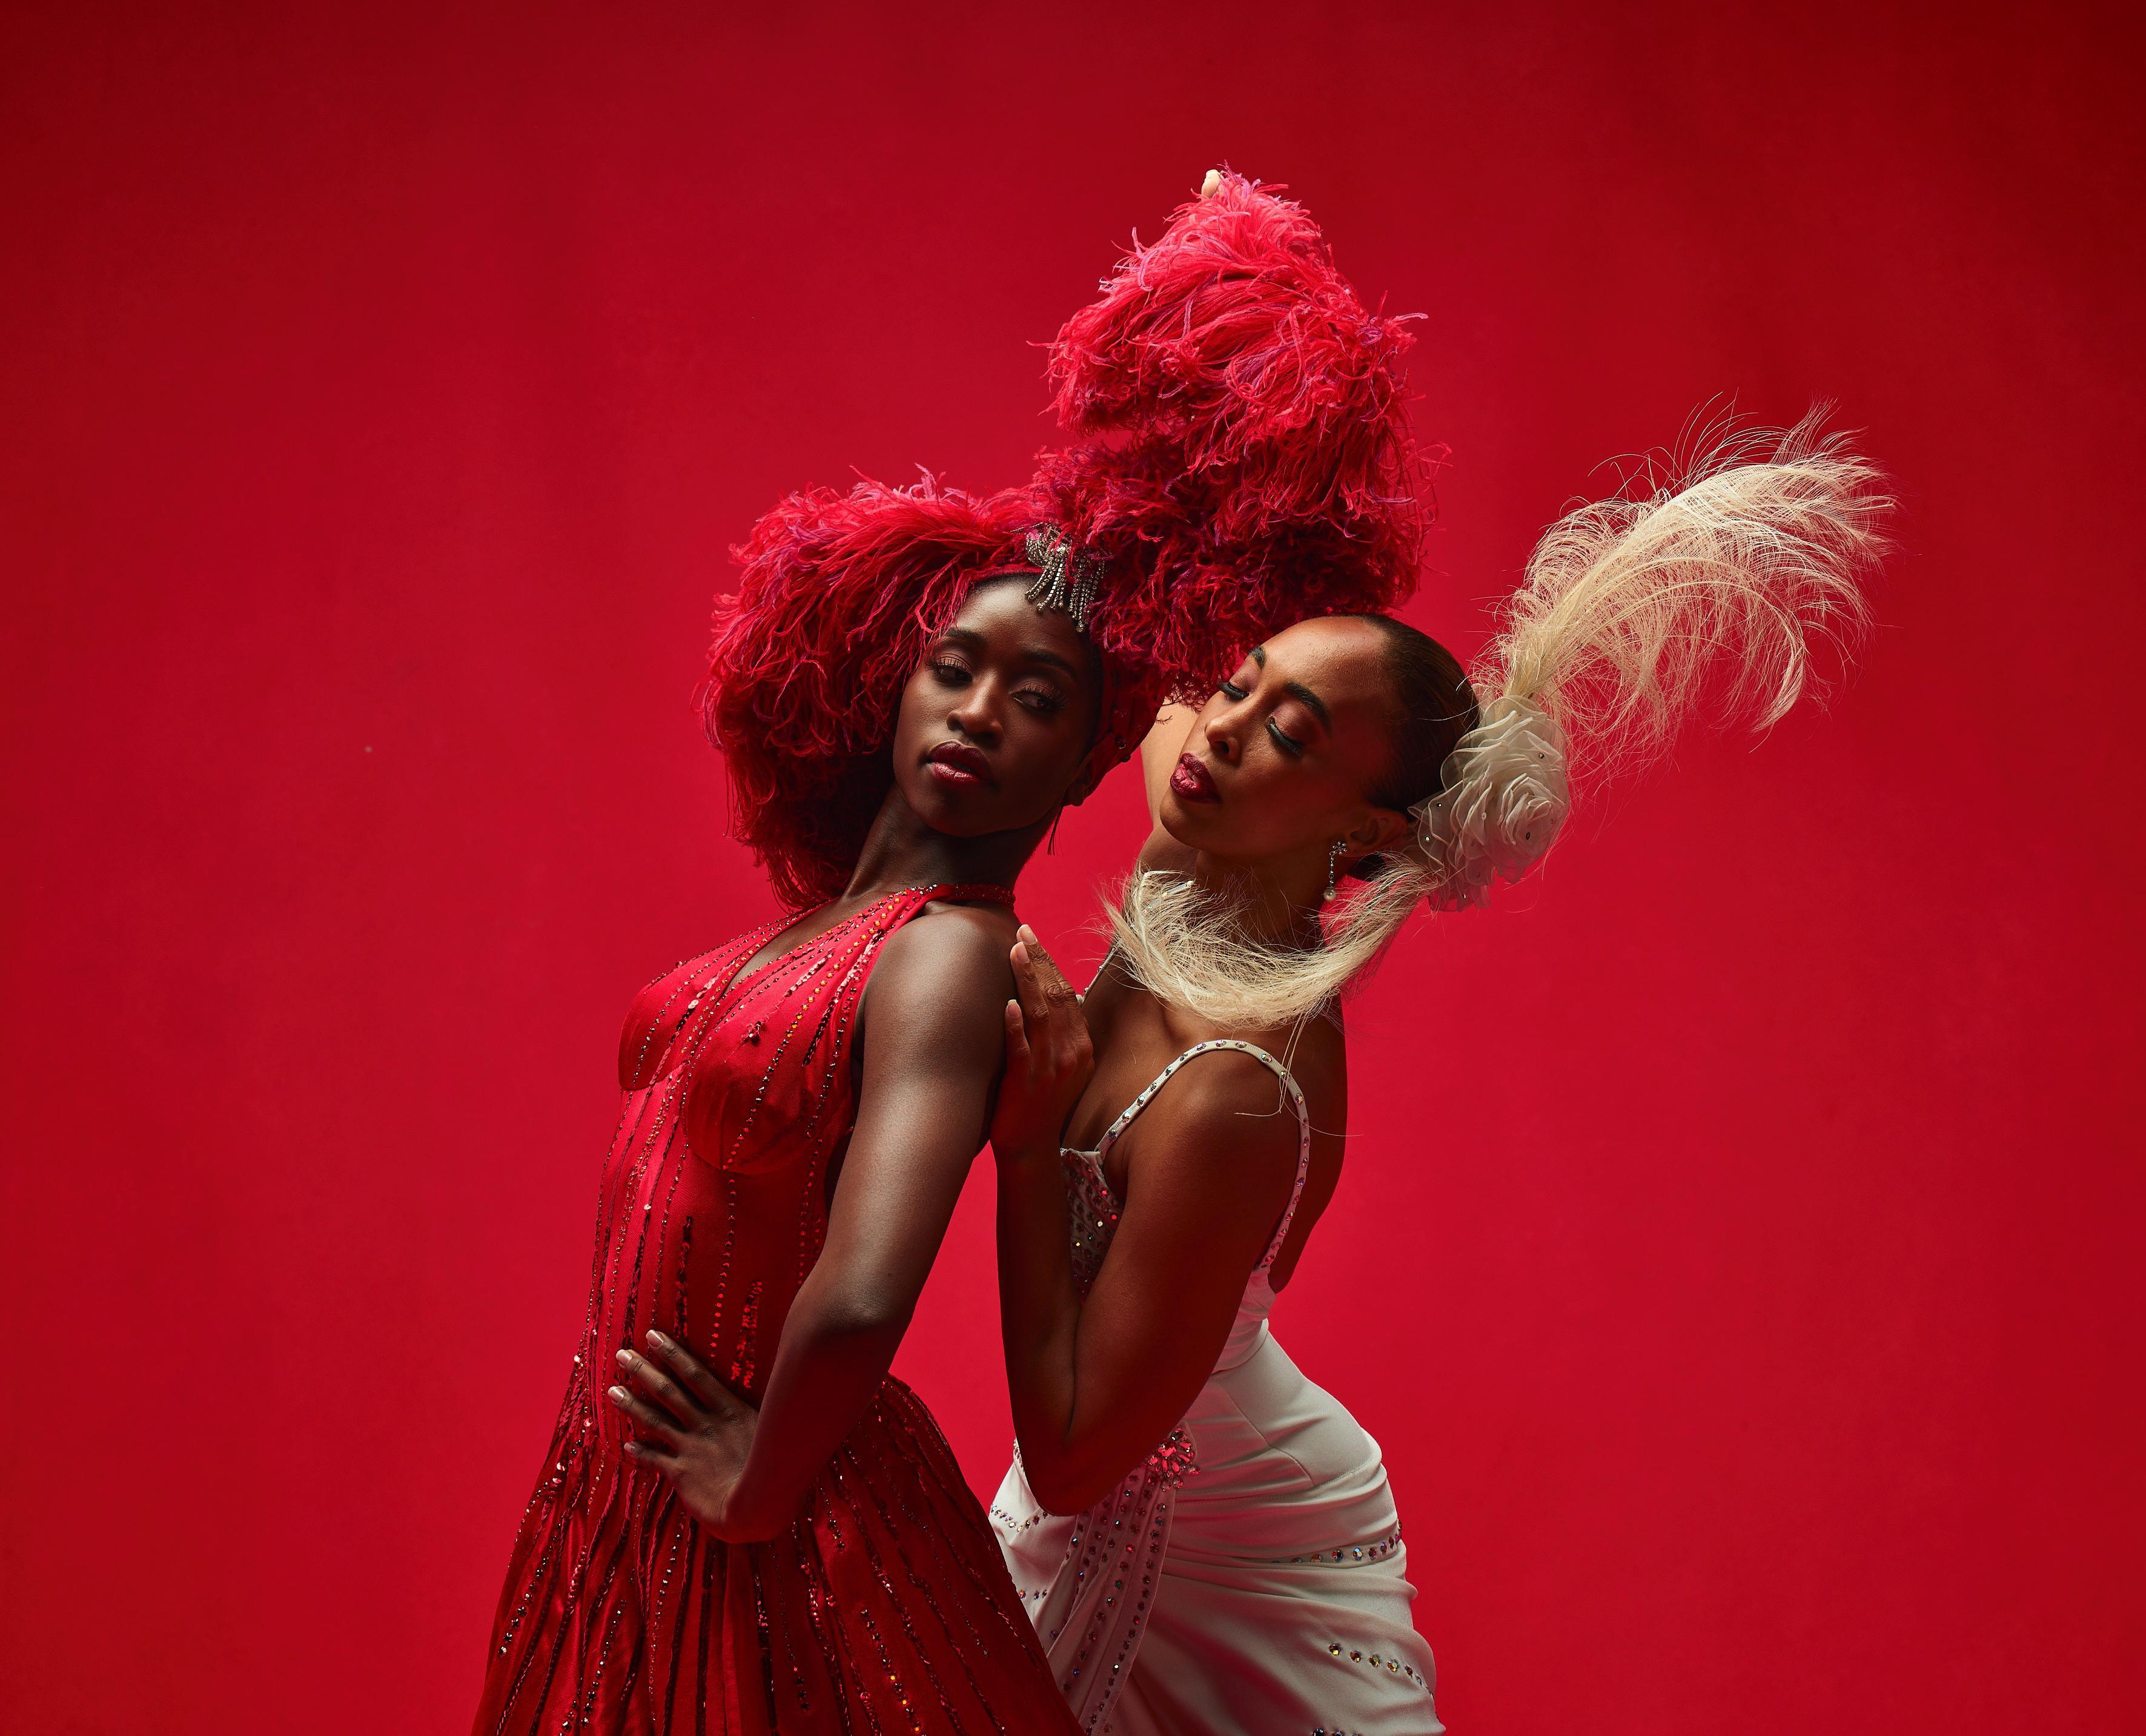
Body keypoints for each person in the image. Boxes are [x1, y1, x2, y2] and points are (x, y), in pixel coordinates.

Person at [470, 168, 1434, 1735]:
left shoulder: (946, 964)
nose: (982, 709)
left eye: (1040, 701)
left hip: (799, 1510)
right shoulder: (863, 936)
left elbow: (865, 1300)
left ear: (1082, 765)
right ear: (886, 684)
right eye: (956, 670)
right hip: (630, 1493)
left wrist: (757, 1487)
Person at [985, 416, 1895, 1735]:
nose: (1221, 729)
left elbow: (1073, 1462)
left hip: (1194, 1519)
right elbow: (1138, 651)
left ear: (1365, 827)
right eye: (1238, 681)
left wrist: (1023, 1153)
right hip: (1145, 1458)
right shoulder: (1210, 853)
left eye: (1289, 731)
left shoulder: (1239, 1087)